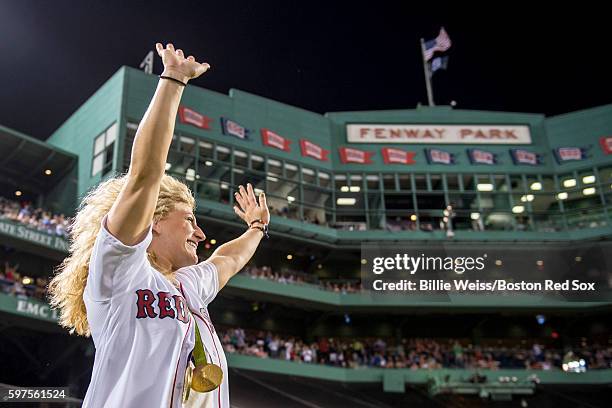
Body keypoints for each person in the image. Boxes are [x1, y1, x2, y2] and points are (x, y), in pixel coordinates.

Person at [48, 43, 270, 408]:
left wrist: (257, 228)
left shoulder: (189, 285)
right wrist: (173, 79)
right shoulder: (120, 272)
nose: (199, 233)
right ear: (152, 222)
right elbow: (144, 176)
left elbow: (228, 260)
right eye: (189, 220)